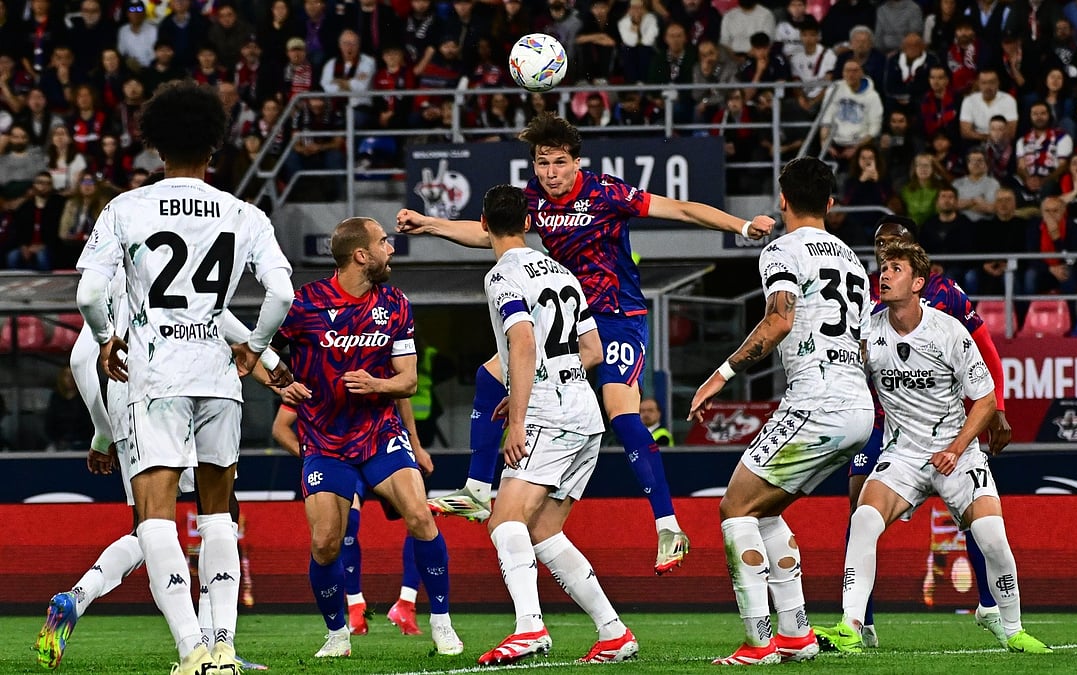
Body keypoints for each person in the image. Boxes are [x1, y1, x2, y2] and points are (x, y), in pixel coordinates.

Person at [397, 112, 774, 574]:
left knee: (622, 412)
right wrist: (429, 224)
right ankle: (476, 493)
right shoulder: (533, 200)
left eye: (558, 163)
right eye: (542, 163)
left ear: (577, 162)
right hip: (573, 317)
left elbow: (681, 209)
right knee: (489, 374)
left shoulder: (606, 192)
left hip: (618, 316)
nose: (550, 173)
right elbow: (489, 233)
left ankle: (668, 527)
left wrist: (741, 227)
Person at [74, 79, 295, 674]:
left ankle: (191, 651)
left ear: (154, 144)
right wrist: (257, 348)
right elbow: (281, 292)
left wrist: (105, 339)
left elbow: (91, 291)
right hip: (219, 377)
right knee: (220, 513)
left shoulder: (126, 209)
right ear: (214, 147)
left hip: (157, 380)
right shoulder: (243, 213)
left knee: (155, 515)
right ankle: (223, 647)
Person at [814, 240, 1051, 655]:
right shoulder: (868, 331)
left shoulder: (948, 330)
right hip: (902, 454)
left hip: (955, 453)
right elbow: (842, 379)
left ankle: (1011, 628)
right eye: (883, 268)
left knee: (993, 536)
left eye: (896, 269)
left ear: (919, 282)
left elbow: (986, 398)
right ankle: (851, 625)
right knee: (864, 521)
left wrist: (957, 449)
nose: (884, 274)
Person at [37, 268, 281, 672]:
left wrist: (103, 432)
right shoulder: (170, 260)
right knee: (218, 510)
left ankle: (77, 597)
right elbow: (217, 314)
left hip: (124, 393)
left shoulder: (111, 280)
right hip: (175, 380)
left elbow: (82, 359)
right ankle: (212, 645)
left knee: (148, 523)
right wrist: (268, 356)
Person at [687, 157, 872, 665]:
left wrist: (719, 376)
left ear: (783, 200)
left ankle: (757, 642)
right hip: (857, 406)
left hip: (817, 399)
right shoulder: (854, 260)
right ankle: (796, 635)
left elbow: (779, 320)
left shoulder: (782, 250)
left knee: (734, 509)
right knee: (765, 509)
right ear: (830, 204)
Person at [273, 216, 462, 658]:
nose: (390, 249)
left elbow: (409, 381)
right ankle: (337, 634)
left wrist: (378, 386)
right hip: (324, 443)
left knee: (420, 516)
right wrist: (279, 384)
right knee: (325, 543)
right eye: (383, 242)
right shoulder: (305, 304)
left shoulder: (395, 303)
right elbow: (255, 349)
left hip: (380, 434)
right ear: (361, 255)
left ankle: (442, 624)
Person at [474, 184, 638, 665]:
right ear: (528, 223)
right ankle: (614, 632)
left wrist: (520, 415)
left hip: (548, 412)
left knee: (504, 520)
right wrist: (540, 385)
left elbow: (521, 343)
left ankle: (529, 628)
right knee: (544, 531)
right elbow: (593, 351)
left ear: (484, 224)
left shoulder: (502, 274)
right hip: (585, 411)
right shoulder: (561, 271)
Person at [848, 215, 1011, 648]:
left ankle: (991, 605)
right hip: (882, 418)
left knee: (978, 518)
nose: (884, 252)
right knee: (860, 507)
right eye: (879, 244)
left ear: (912, 250)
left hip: (942, 421)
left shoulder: (946, 293)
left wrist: (997, 411)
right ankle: (860, 620)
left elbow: (985, 348)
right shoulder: (866, 294)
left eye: (893, 244)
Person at [271, 401, 424, 636]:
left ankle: (407, 602)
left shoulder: (378, 367)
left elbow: (403, 394)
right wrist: (313, 455)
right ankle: (355, 605)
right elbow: (280, 426)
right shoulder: (314, 373)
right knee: (344, 526)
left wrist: (415, 445)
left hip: (382, 448)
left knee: (418, 518)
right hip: (340, 455)